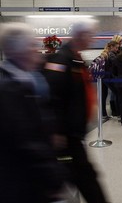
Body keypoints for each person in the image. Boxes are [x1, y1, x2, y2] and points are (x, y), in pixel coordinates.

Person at [43, 21, 108, 203]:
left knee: (77, 178)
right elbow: (53, 95)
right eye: (90, 35)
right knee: (86, 180)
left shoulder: (76, 58)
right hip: (66, 136)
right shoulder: (62, 59)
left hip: (74, 133)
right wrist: (57, 130)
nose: (92, 38)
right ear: (80, 35)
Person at [0, 23, 65, 203]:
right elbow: (26, 140)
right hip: (23, 184)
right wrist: (53, 177)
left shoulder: (25, 78)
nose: (36, 50)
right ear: (17, 51)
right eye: (31, 46)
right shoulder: (9, 88)